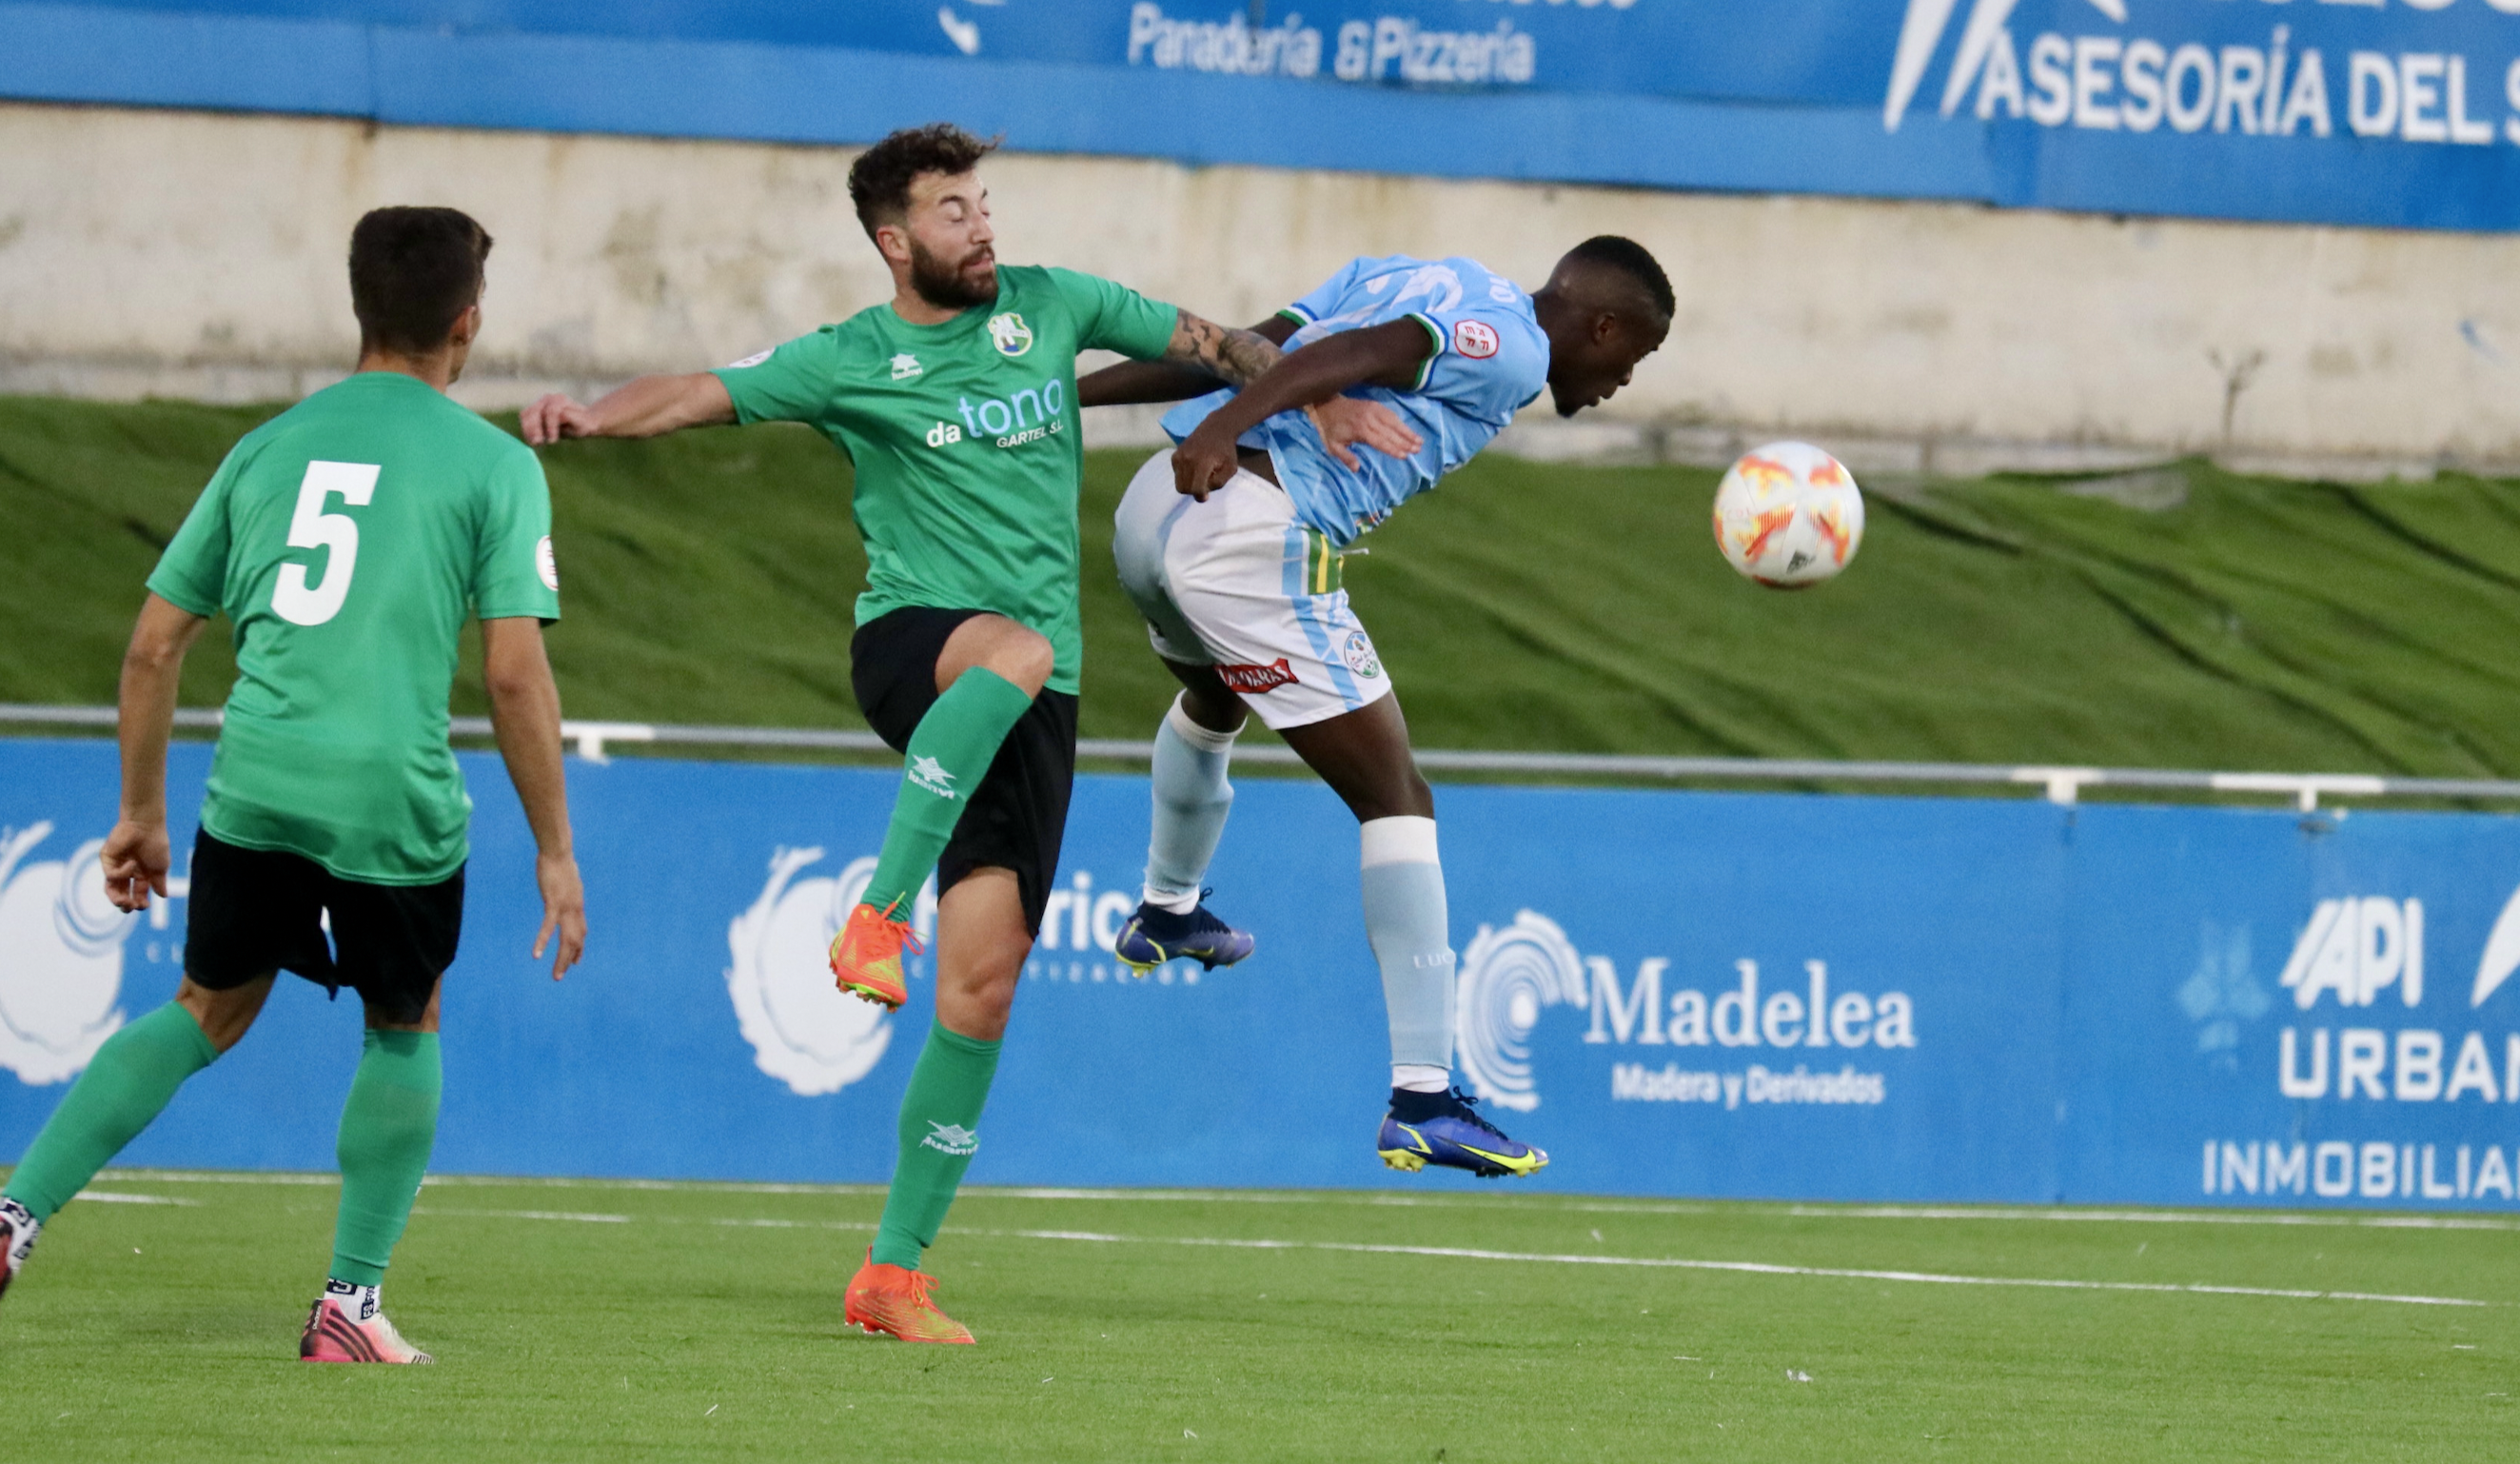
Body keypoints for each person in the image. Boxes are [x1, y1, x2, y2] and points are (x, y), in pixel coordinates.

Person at [521, 123, 1403, 1344]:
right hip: (917, 645)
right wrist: (590, 417)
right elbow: (701, 389)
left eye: (982, 203)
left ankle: (891, 1276)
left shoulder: (1052, 306)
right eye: (950, 210)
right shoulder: (851, 356)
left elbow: (1221, 342)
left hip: (1030, 703)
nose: (980, 225)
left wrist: (1323, 390)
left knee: (980, 991)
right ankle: (877, 913)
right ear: (893, 241)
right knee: (1017, 648)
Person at [0, 206, 589, 1363]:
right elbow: (514, 673)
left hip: (258, 781)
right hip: (392, 797)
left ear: (360, 309)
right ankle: (349, 1306)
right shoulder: (496, 463)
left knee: (206, 1006)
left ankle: (13, 1210)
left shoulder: (265, 448)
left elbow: (154, 644)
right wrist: (556, 846)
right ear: (468, 320)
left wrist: (141, 810)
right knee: (404, 1017)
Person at [1079, 237, 1672, 1179]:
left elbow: (1241, 343)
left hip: (1153, 509)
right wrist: (1221, 429)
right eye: (1628, 360)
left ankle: (1167, 907)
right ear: (1601, 325)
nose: (1617, 383)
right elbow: (1358, 357)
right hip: (1248, 522)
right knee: (1398, 799)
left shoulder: (1412, 268)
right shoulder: (1510, 344)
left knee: (1211, 695)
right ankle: (1424, 1099)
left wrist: (1062, 398)